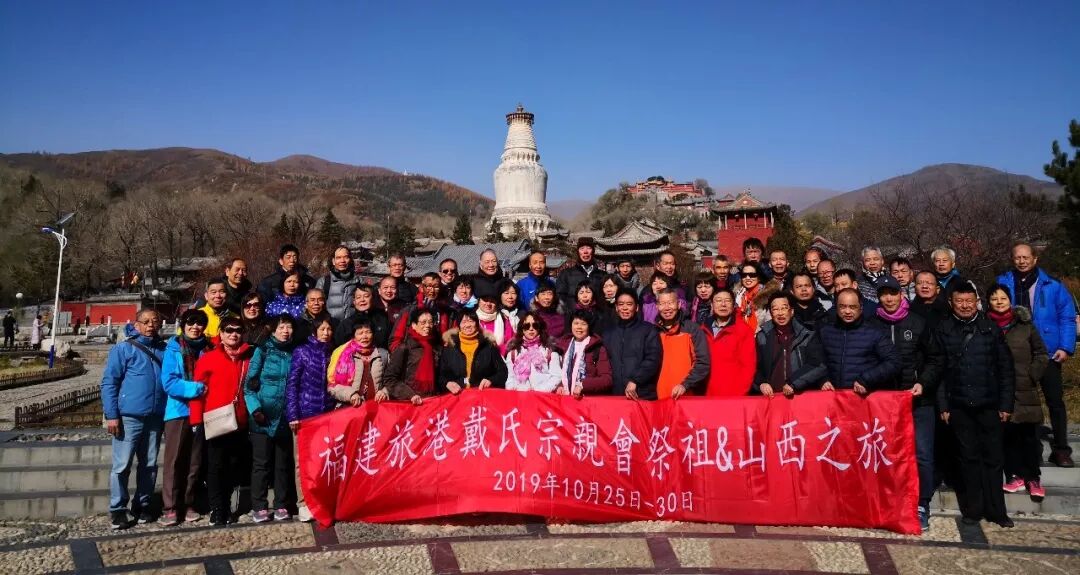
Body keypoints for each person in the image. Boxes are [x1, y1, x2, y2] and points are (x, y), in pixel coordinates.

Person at [922, 283, 1015, 528]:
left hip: (990, 404)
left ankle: (997, 510)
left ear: (976, 302)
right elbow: (939, 371)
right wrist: (943, 405)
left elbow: (1005, 369)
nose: (965, 306)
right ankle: (973, 510)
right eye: (959, 301)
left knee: (994, 458)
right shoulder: (943, 329)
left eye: (969, 301)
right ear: (951, 303)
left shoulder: (990, 328)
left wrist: (1006, 404)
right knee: (968, 458)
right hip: (959, 405)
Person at [996, 243, 1077, 467]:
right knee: (1021, 402)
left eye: (1026, 257)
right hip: (1016, 351)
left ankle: (1061, 449)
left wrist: (1065, 347)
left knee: (1055, 401)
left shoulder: (1053, 285)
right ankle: (1027, 448)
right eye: (1017, 257)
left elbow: (1067, 317)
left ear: (1035, 259)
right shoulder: (1004, 282)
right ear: (1012, 259)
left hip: (1048, 352)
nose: (1021, 261)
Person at [866, 276, 934, 530]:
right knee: (886, 454)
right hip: (884, 402)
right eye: (883, 294)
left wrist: (923, 382)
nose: (889, 298)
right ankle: (889, 501)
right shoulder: (872, 325)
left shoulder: (918, 322)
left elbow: (935, 358)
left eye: (893, 293)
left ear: (901, 294)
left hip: (916, 400)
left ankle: (921, 503)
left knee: (922, 454)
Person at [101, 309, 166, 530]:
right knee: (122, 465)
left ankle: (143, 504)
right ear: (136, 325)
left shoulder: (164, 349)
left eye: (154, 321)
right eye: (145, 322)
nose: (150, 325)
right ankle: (118, 508)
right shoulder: (124, 348)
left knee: (149, 464)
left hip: (155, 416)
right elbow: (110, 382)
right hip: (129, 416)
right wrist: (112, 415)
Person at [986, 285, 1049, 502]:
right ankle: (1014, 475)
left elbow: (1041, 353)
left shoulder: (1025, 325)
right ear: (988, 302)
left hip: (1024, 388)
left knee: (1028, 437)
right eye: (994, 298)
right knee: (1007, 437)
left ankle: (1033, 477)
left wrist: (1032, 374)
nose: (999, 302)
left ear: (1010, 300)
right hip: (997, 390)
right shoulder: (985, 326)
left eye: (1003, 298)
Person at [190, 316, 254, 527]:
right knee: (216, 466)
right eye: (228, 330)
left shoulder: (249, 357)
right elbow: (198, 391)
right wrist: (196, 419)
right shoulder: (209, 358)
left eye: (238, 330)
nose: (233, 334)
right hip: (215, 420)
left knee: (234, 465)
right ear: (221, 333)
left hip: (240, 420)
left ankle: (227, 504)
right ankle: (218, 509)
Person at [158, 309, 211, 527]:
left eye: (199, 323)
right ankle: (170, 506)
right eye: (191, 323)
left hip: (203, 411)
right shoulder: (173, 349)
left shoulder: (208, 349)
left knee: (195, 461)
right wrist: (198, 388)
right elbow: (169, 382)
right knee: (174, 460)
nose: (195, 327)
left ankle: (189, 502)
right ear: (183, 325)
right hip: (179, 411)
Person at [244, 314, 297, 523]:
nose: (285, 331)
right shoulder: (263, 350)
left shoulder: (295, 352)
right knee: (261, 464)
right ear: (273, 330)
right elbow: (249, 386)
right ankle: (259, 506)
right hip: (262, 416)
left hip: (284, 416)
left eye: (289, 327)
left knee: (282, 464)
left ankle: (282, 504)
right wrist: (255, 409)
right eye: (281, 327)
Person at [285, 316, 337, 522]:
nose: (326, 333)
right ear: (314, 332)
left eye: (329, 329)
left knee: (324, 460)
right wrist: (293, 414)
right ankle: (303, 502)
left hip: (328, 415)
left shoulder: (334, 353)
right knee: (302, 461)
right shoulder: (302, 352)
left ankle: (321, 500)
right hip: (305, 414)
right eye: (322, 329)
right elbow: (292, 384)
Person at [815, 289, 900, 394]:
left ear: (861, 308)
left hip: (863, 397)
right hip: (833, 397)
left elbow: (894, 362)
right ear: (836, 307)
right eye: (842, 306)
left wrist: (867, 379)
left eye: (852, 307)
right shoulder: (825, 332)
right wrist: (822, 379)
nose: (847, 311)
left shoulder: (875, 333)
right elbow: (815, 360)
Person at [754, 293, 825, 398]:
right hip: (772, 397)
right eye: (775, 309)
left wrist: (794, 382)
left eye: (784, 308)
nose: (780, 313)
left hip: (799, 396)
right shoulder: (762, 337)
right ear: (771, 313)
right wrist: (761, 383)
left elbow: (818, 364)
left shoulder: (806, 335)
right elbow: (754, 366)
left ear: (791, 311)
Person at [603, 289, 661, 400]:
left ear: (637, 307)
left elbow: (653, 359)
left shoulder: (648, 330)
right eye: (621, 304)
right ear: (616, 308)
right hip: (615, 394)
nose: (625, 308)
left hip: (641, 393)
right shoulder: (608, 333)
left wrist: (635, 380)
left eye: (629, 304)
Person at [654, 289, 710, 399]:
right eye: (662, 304)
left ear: (679, 304)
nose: (667, 308)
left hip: (686, 394)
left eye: (670, 303)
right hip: (658, 396)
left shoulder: (692, 329)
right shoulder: (653, 332)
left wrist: (685, 385)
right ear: (657, 306)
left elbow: (702, 362)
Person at [439, 309, 508, 394]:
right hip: (457, 396)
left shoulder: (488, 346)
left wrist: (491, 380)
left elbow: (503, 371)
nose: (468, 325)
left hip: (482, 394)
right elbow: (441, 376)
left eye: (471, 321)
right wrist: (447, 383)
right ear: (459, 325)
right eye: (464, 322)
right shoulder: (450, 347)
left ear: (477, 323)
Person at [703, 288, 756, 396]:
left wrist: (740, 394)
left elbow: (748, 367)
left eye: (727, 300)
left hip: (733, 396)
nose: (723, 304)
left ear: (733, 305)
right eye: (718, 300)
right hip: (706, 395)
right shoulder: (702, 330)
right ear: (712, 305)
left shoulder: (743, 330)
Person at [381, 308, 440, 405]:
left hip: (430, 403)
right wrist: (410, 395)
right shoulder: (404, 348)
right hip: (408, 403)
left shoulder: (435, 348)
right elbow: (390, 379)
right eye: (423, 322)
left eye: (430, 322)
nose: (427, 326)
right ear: (414, 325)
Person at [328, 322, 390, 406]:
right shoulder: (342, 355)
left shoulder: (383, 354)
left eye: (368, 332)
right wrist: (350, 394)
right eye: (360, 333)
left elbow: (392, 380)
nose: (364, 336)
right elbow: (332, 386)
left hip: (377, 407)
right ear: (353, 336)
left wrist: (384, 391)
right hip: (350, 408)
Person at [389, 273, 452, 351]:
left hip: (438, 353)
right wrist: (402, 353)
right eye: (428, 286)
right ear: (421, 287)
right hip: (413, 354)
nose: (432, 290)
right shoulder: (409, 311)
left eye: (436, 287)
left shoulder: (445, 312)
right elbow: (395, 341)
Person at [504, 312, 564, 392]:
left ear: (540, 328)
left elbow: (557, 376)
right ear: (522, 329)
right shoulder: (513, 353)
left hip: (542, 397)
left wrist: (537, 391)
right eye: (527, 326)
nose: (531, 329)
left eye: (535, 325)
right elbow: (509, 379)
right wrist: (521, 390)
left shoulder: (550, 352)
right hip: (520, 396)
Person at [560, 310, 613, 397]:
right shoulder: (563, 346)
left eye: (583, 324)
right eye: (576, 323)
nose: (579, 327)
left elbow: (607, 379)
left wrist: (583, 385)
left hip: (587, 401)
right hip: (565, 399)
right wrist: (559, 386)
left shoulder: (597, 348)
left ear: (589, 327)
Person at [556, 237, 607, 310]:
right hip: (574, 315)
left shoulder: (603, 275)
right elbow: (560, 298)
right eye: (582, 248)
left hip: (597, 315)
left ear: (593, 251)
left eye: (589, 248)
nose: (585, 251)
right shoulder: (566, 274)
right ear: (578, 252)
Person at [334, 284, 391, 349]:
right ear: (354, 301)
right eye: (358, 297)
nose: (362, 300)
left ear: (373, 299)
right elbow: (339, 347)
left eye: (366, 296)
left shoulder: (383, 319)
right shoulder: (346, 324)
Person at [319, 245, 361, 322]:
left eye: (346, 257)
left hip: (352, 326)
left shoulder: (358, 281)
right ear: (333, 261)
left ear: (350, 260)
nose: (342, 261)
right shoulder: (324, 281)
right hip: (331, 325)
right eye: (338, 258)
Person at [735, 262, 773, 333]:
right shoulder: (738, 296)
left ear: (759, 277)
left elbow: (769, 322)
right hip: (740, 335)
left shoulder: (768, 297)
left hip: (761, 335)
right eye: (744, 275)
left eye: (752, 275)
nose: (747, 278)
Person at [475, 288, 514, 355]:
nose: (488, 304)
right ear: (479, 301)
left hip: (498, 356)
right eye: (485, 300)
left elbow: (509, 342)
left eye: (492, 301)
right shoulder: (471, 318)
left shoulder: (504, 320)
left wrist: (495, 352)